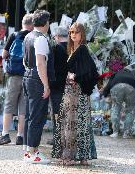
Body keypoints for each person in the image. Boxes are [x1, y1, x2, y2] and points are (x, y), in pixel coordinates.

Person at [52, 22, 98, 166]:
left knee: (75, 124)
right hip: (72, 93)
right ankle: (81, 156)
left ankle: (73, 157)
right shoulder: (73, 49)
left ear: (82, 34)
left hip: (77, 93)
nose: (73, 35)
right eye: (71, 32)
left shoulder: (82, 49)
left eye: (76, 32)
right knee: (78, 124)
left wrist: (75, 77)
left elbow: (91, 71)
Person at [0, 14, 34, 145]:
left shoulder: (14, 35)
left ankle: (5, 134)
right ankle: (20, 136)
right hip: (28, 76)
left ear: (22, 23)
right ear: (32, 25)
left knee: (9, 104)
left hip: (14, 76)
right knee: (23, 106)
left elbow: (4, 55)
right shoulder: (34, 37)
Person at [22, 9, 55, 164]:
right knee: (37, 117)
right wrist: (46, 85)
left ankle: (29, 151)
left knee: (30, 115)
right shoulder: (41, 38)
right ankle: (32, 152)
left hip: (27, 77)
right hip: (37, 79)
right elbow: (40, 63)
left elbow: (24, 60)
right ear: (46, 23)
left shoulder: (27, 36)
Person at [101, 69, 135, 138]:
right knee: (130, 110)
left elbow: (108, 86)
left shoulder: (116, 74)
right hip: (132, 87)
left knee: (116, 108)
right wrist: (134, 109)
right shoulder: (132, 77)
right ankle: (126, 134)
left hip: (117, 86)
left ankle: (115, 132)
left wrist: (105, 94)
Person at [47, 26, 69, 145]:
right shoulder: (73, 48)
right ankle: (67, 137)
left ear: (57, 36)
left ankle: (58, 138)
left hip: (56, 85)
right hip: (70, 85)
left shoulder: (55, 48)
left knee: (56, 112)